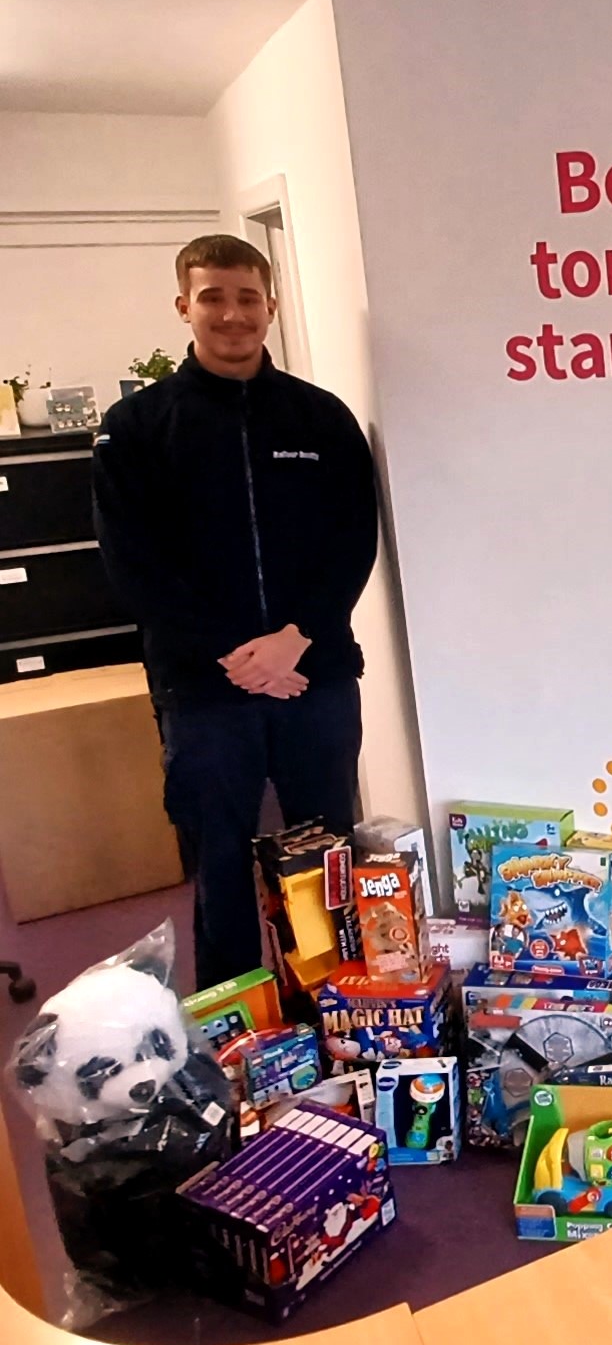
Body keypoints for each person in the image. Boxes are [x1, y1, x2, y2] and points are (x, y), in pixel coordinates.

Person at [93, 235, 378, 989]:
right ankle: (234, 1023)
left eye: (247, 297)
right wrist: (239, 655)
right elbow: (135, 568)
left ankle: (332, 1009)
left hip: (312, 680)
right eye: (213, 296)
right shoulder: (136, 430)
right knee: (220, 864)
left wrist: (293, 640)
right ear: (184, 306)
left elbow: (353, 540)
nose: (231, 314)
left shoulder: (321, 419)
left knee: (324, 860)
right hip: (204, 692)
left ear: (271, 307)